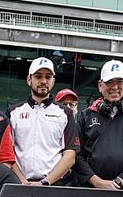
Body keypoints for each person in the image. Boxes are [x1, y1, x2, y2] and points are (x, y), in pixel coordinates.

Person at [73, 59, 123, 191]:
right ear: (100, 85)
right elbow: (76, 155)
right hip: (89, 189)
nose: (114, 87)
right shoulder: (85, 116)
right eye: (109, 82)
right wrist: (97, 182)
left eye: (119, 82)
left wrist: (120, 181)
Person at [7, 57, 78, 186]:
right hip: (19, 184)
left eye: (48, 77)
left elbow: (70, 155)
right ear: (29, 79)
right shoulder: (13, 112)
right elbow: (7, 152)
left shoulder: (65, 113)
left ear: (53, 80)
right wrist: (22, 181)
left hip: (53, 186)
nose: (43, 81)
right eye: (38, 76)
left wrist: (45, 182)